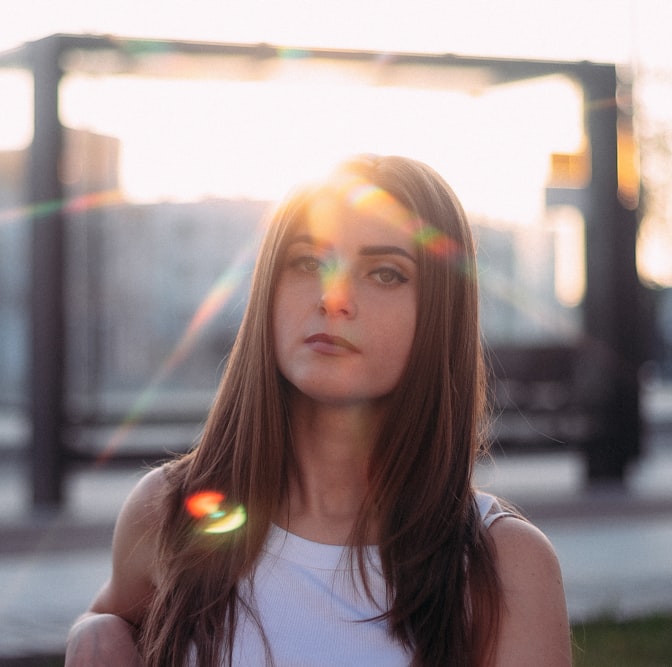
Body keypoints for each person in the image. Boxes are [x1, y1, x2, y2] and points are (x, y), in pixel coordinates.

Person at [66, 155, 571, 666]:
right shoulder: (169, 514)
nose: (334, 297)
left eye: (385, 273)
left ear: (440, 314)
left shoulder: (505, 568)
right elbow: (106, 627)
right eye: (308, 262)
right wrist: (95, 640)